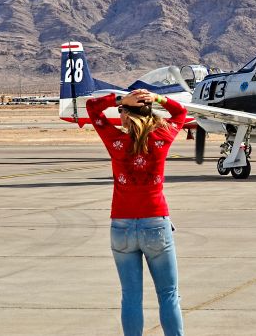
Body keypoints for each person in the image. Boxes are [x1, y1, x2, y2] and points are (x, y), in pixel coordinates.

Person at [85, 89, 186, 336]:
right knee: (168, 295)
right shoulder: (162, 137)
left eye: (121, 112)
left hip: (121, 226)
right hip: (156, 224)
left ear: (127, 116)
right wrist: (159, 98)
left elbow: (92, 108)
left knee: (130, 296)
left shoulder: (116, 142)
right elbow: (181, 111)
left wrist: (120, 100)